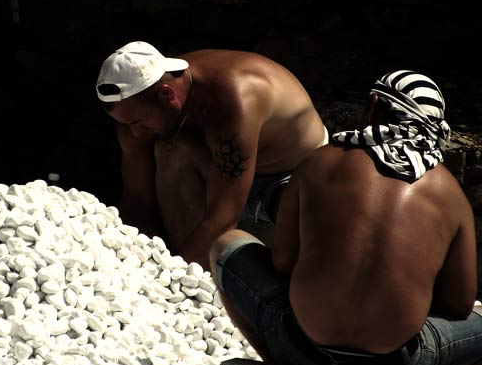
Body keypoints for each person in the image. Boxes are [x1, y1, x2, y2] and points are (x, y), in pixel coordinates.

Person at [209, 70, 482, 365]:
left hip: (296, 344)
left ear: (375, 108)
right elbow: (458, 304)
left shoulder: (321, 162)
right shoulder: (449, 194)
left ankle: (278, 361)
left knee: (228, 243)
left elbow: (283, 262)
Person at [95, 40, 328, 270]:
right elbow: (137, 202)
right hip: (220, 168)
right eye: (127, 124)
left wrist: (170, 280)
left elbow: (223, 218)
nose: (135, 132)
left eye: (137, 122)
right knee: (173, 150)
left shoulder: (234, 98)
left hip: (288, 176)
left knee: (307, 218)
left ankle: (208, 282)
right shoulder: (133, 107)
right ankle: (199, 275)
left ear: (167, 95)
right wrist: (140, 261)